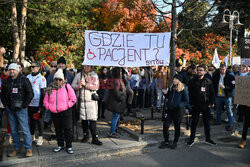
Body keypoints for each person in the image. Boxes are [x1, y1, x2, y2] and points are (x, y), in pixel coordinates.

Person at [1, 63, 34, 157]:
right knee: (13, 130)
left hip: (21, 110)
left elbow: (30, 93)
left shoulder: (24, 80)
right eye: (10, 69)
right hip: (10, 109)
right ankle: (16, 148)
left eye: (14, 69)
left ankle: (28, 149)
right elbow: (2, 94)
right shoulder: (6, 81)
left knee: (25, 129)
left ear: (18, 70)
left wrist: (24, 105)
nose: (12, 71)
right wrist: (6, 105)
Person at [43, 69, 76, 154]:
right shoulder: (50, 88)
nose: (58, 81)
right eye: (56, 79)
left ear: (63, 80)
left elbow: (73, 99)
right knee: (58, 130)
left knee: (67, 129)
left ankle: (69, 146)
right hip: (55, 112)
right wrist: (49, 107)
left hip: (66, 111)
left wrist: (66, 106)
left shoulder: (67, 86)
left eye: (60, 79)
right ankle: (60, 145)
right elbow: (45, 101)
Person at [71, 65, 102, 145]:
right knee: (83, 120)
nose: (87, 68)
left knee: (92, 120)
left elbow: (96, 86)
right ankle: (85, 136)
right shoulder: (78, 75)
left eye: (88, 66)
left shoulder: (94, 75)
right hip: (82, 101)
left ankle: (95, 138)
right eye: (85, 66)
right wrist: (78, 86)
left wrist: (86, 85)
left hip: (91, 101)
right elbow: (72, 86)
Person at [186, 65, 216, 147]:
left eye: (201, 70)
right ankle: (192, 139)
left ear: (204, 72)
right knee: (194, 123)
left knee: (206, 123)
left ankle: (208, 139)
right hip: (195, 105)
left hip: (206, 105)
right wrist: (191, 104)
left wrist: (211, 103)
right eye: (198, 70)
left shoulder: (208, 81)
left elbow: (212, 93)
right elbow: (189, 93)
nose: (199, 71)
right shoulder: (192, 81)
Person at [159, 74, 189, 149]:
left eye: (176, 79)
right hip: (169, 110)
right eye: (174, 79)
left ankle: (175, 142)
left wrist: (179, 105)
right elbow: (169, 97)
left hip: (178, 111)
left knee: (177, 127)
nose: (174, 80)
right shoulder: (172, 87)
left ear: (179, 80)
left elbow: (186, 101)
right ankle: (166, 141)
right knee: (165, 126)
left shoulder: (183, 89)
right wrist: (165, 94)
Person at [27, 62, 46, 146]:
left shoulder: (41, 78)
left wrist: (41, 105)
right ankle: (32, 136)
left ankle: (41, 137)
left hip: (38, 103)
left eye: (33, 67)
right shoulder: (28, 77)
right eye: (31, 67)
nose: (32, 68)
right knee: (31, 121)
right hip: (29, 103)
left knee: (39, 121)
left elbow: (43, 92)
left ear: (38, 68)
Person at [212, 63, 235, 131]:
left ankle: (231, 124)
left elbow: (233, 85)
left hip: (227, 96)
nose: (222, 71)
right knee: (218, 110)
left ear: (226, 69)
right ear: (219, 69)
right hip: (218, 96)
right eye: (221, 69)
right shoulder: (216, 76)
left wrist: (225, 87)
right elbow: (213, 85)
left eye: (223, 69)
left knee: (229, 110)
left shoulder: (231, 76)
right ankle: (217, 122)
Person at [106, 67, 127, 138]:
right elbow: (116, 92)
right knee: (115, 117)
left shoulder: (119, 79)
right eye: (120, 72)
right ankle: (112, 132)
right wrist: (121, 98)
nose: (121, 73)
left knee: (116, 117)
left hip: (117, 101)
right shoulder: (116, 81)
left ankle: (114, 130)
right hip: (116, 102)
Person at [0, 64, 12, 141]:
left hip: (8, 101)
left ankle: (10, 133)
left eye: (6, 69)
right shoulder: (1, 78)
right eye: (3, 69)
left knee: (9, 118)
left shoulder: (10, 79)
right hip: (1, 100)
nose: (4, 71)